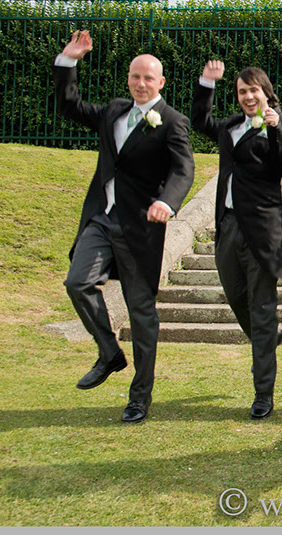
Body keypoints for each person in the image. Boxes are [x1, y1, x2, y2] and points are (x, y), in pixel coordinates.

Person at [55, 30, 194, 423]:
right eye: (135, 76)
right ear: (129, 79)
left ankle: (140, 398)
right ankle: (110, 353)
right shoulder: (114, 110)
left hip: (140, 229)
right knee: (77, 283)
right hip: (101, 217)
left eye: (148, 78)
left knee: (141, 313)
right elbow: (70, 106)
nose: (140, 83)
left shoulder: (172, 121)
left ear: (161, 82)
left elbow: (184, 168)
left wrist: (167, 201)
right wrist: (69, 62)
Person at [191, 61, 282, 420]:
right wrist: (207, 83)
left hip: (263, 230)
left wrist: (275, 130)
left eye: (254, 89)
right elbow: (200, 122)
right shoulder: (231, 127)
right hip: (229, 225)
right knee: (236, 296)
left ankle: (263, 393)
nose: (248, 96)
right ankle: (267, 336)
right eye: (241, 91)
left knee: (262, 307)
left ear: (266, 91)